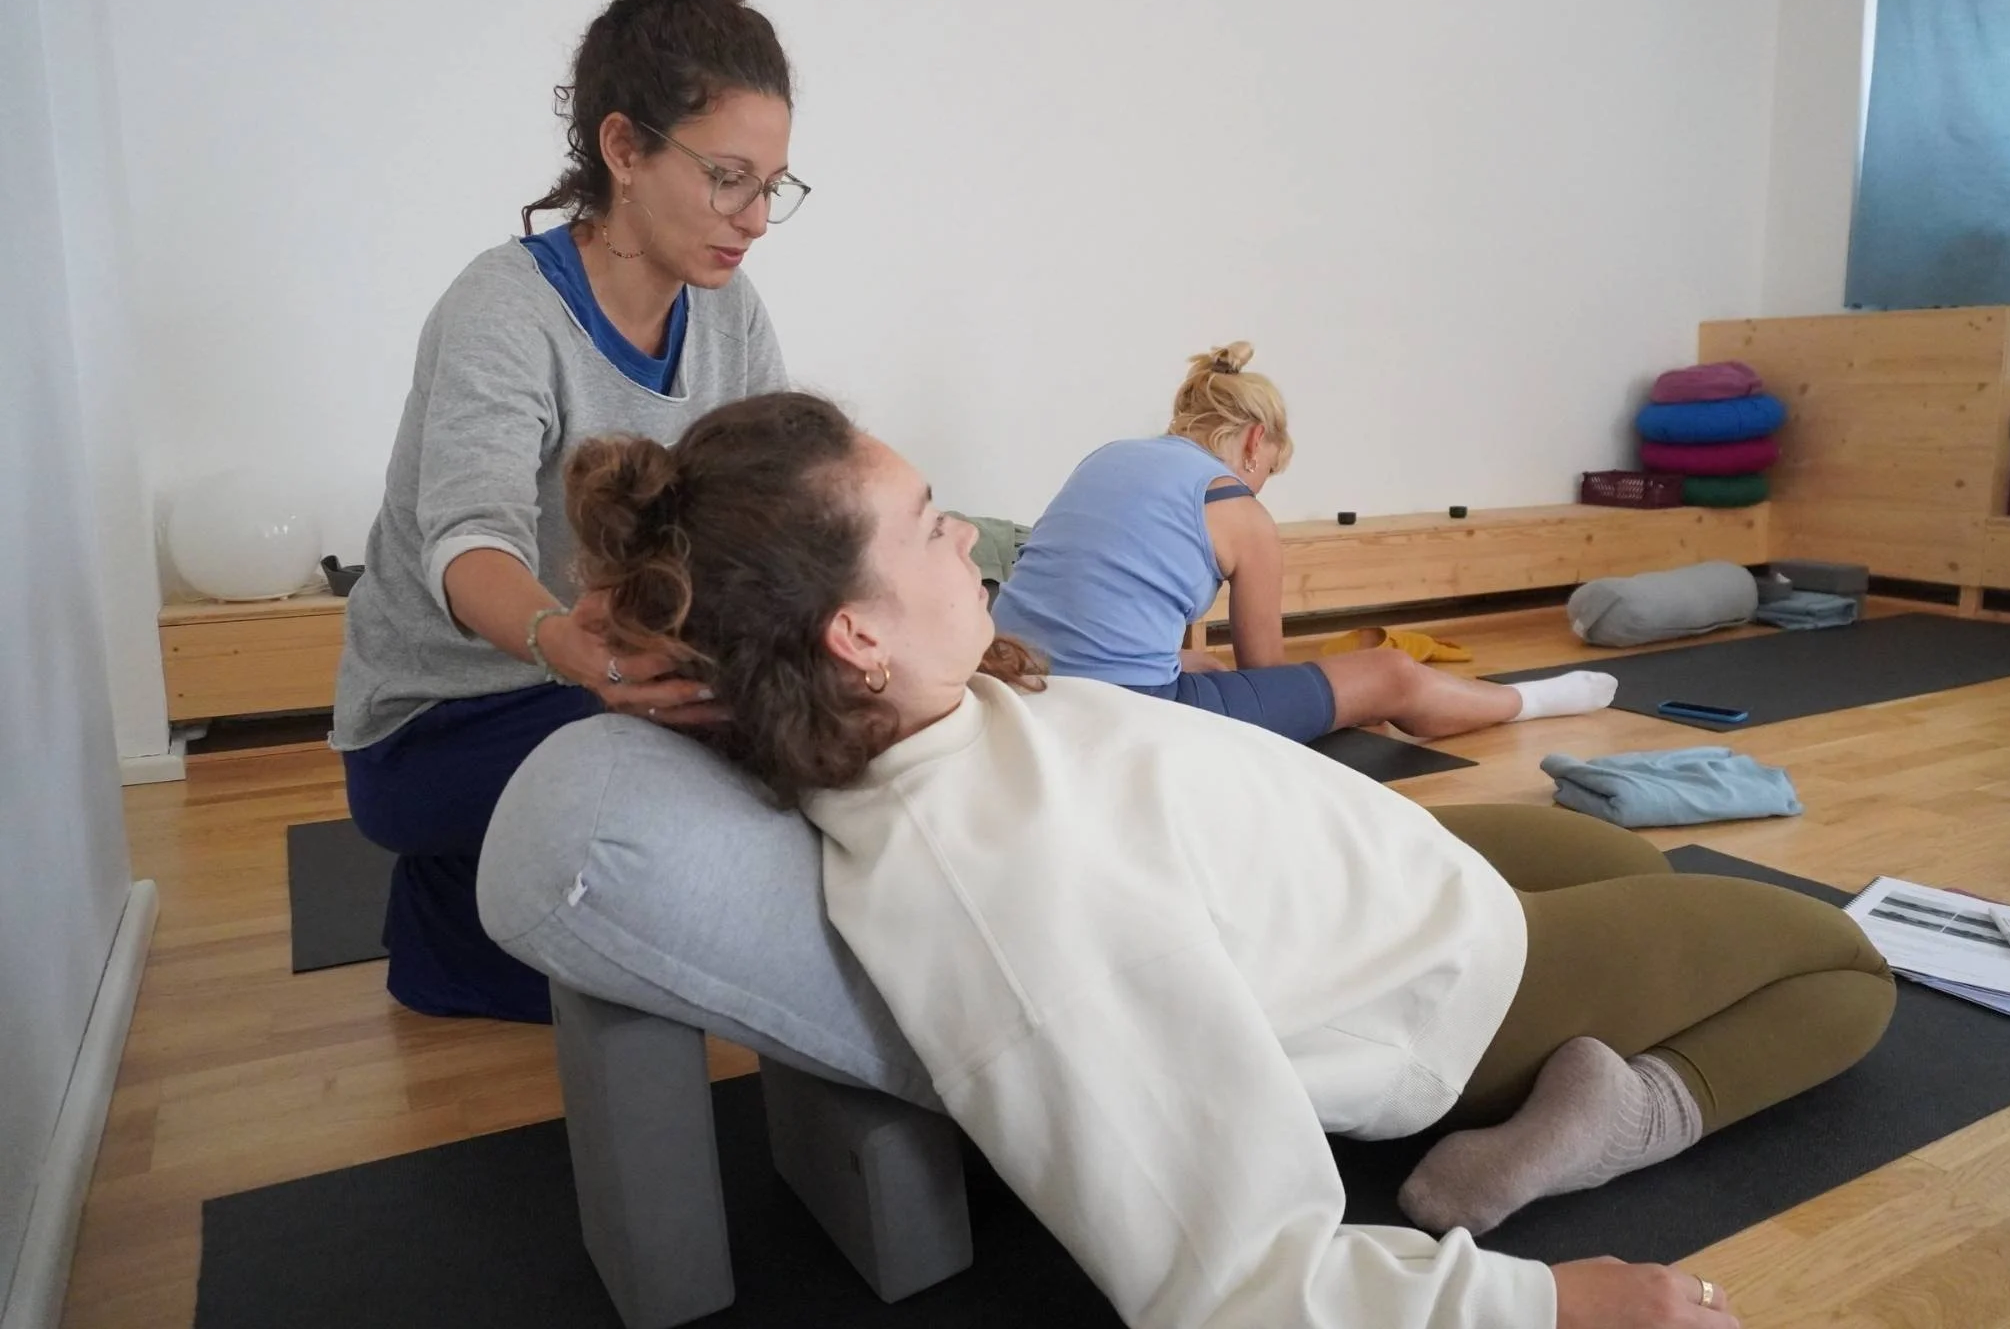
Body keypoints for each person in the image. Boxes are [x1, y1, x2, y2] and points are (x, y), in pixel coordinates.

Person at [562, 390, 1897, 1329]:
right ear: (854, 636)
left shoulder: (926, 703)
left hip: (1373, 874)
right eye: (930, 525)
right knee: (1842, 968)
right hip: (1429, 979)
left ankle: (1591, 1053)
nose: (970, 534)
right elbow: (1237, 1284)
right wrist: (1548, 1305)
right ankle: (1590, 1127)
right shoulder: (997, 885)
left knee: (1633, 866)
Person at [330, 0, 808, 1022]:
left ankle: (457, 922)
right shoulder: (505, 309)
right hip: (441, 722)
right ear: (625, 149)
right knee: (732, 761)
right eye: (728, 178)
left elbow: (768, 505)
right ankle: (478, 876)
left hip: (594, 685)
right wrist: (566, 643)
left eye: (773, 185)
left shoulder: (728, 313)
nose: (755, 220)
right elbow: (470, 543)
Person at [991, 343, 1621, 744]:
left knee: (1206, 664)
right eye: (1269, 469)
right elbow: (1264, 672)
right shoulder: (1238, 511)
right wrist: (1347, 695)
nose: (1261, 486)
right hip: (1119, 717)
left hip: (1016, 681)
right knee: (1391, 673)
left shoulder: (1108, 457)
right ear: (1253, 441)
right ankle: (1529, 702)